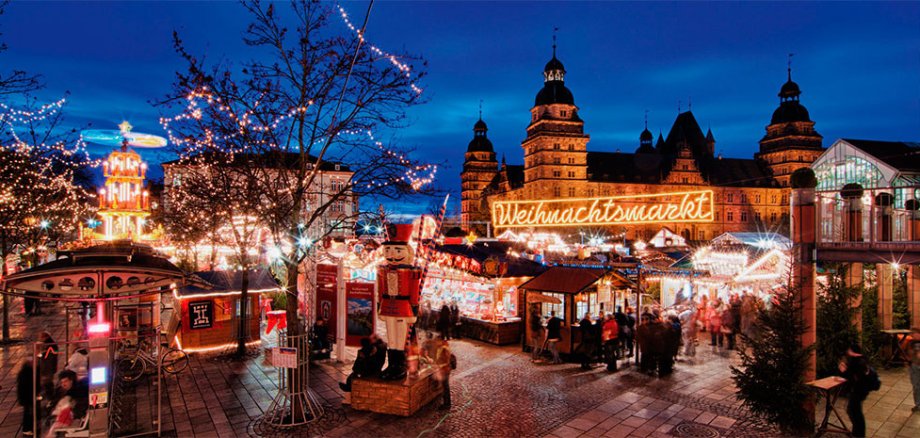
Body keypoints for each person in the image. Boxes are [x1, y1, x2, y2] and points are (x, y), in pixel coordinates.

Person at [839, 344, 870, 437]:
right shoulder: (863, 360)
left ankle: (858, 434)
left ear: (853, 351)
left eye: (849, 350)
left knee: (854, 412)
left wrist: (843, 370)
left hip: (858, 391)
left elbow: (852, 376)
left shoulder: (858, 362)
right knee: (855, 412)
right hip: (861, 390)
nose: (848, 352)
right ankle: (857, 433)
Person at [430, 335, 453, 410]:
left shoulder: (444, 349)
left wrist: (437, 365)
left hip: (444, 370)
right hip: (442, 370)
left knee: (445, 387)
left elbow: (446, 361)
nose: (435, 343)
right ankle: (444, 401)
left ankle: (447, 404)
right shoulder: (440, 348)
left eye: (437, 341)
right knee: (443, 386)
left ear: (441, 341)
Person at [37, 331, 59, 403]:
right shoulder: (51, 345)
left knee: (47, 385)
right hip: (50, 369)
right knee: (47, 384)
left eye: (41, 337)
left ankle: (50, 400)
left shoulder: (48, 346)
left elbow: (45, 360)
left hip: (47, 370)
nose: (40, 339)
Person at [17, 361, 37, 436]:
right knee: (28, 412)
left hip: (26, 397)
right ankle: (27, 428)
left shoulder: (23, 374)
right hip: (27, 398)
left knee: (28, 412)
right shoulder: (27, 375)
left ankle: (28, 428)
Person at [908, 327, 920, 413]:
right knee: (916, 386)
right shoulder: (912, 343)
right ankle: (918, 404)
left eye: (914, 333)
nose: (912, 335)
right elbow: (911, 354)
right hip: (914, 366)